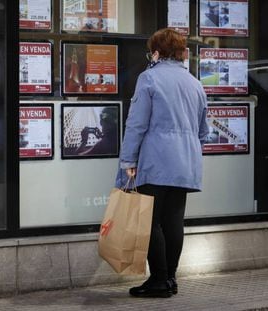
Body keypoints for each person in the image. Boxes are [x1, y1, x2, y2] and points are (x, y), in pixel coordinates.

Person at [115, 28, 209, 298]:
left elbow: (136, 124)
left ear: (156, 52)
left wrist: (128, 160)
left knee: (149, 222)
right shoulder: (195, 83)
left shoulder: (149, 78)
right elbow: (204, 131)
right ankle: (170, 279)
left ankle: (158, 280)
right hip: (185, 163)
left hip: (156, 161)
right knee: (173, 221)